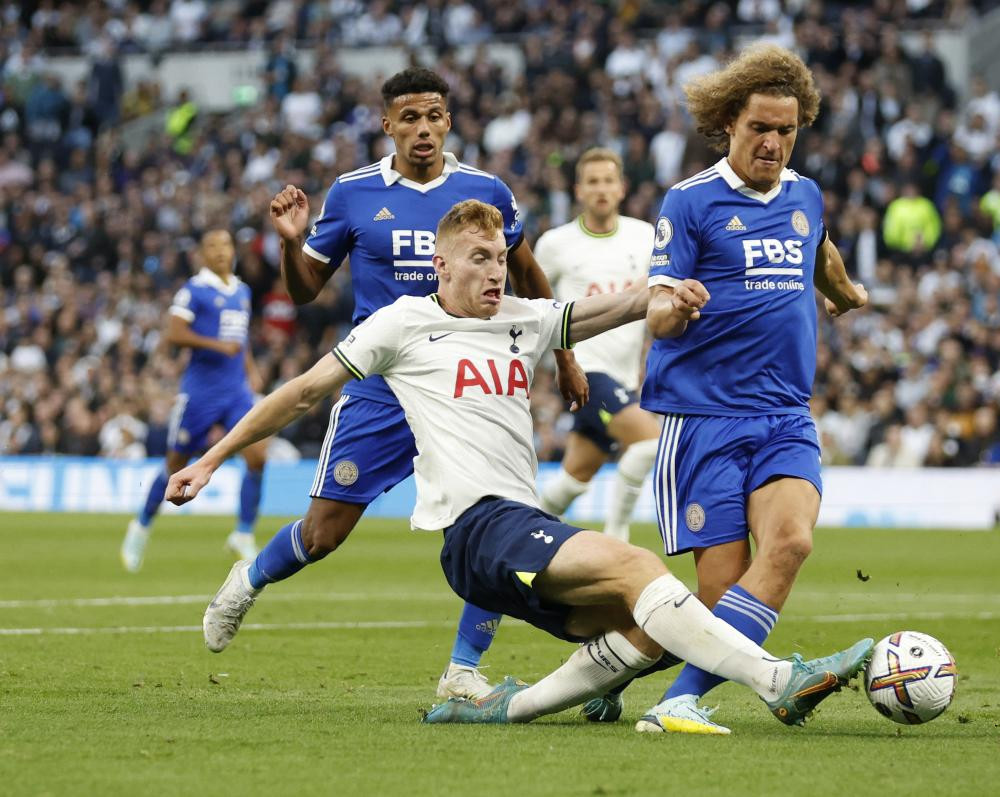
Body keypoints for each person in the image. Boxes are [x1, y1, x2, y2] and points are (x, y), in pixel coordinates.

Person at [167, 200, 872, 733]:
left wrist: (669, 291)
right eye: (478, 257)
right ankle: (777, 678)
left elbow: (618, 306)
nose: (495, 268)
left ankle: (508, 707)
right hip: (476, 530)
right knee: (641, 571)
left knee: (658, 624)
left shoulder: (522, 318)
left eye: (501, 256)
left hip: (519, 528)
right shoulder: (402, 323)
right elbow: (300, 393)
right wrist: (209, 459)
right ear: (440, 265)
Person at [205, 67, 587, 704]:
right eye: (409, 118)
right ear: (387, 125)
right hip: (382, 382)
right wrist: (292, 244)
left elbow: (524, 270)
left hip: (467, 384)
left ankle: (463, 669)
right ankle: (249, 580)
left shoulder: (483, 190)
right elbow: (304, 291)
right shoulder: (355, 194)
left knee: (490, 528)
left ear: (448, 120)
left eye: (433, 116)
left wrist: (565, 359)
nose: (423, 129)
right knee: (324, 532)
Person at [630, 44, 869, 734]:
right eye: (760, 128)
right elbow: (657, 312)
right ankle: (615, 662)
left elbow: (817, 248)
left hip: (783, 413)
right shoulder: (690, 202)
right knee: (716, 596)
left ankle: (678, 701)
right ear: (729, 122)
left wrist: (845, 293)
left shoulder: (805, 193)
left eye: (786, 131)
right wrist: (677, 308)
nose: (773, 143)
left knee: (790, 544)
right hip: (703, 417)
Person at [121, 228, 268, 572]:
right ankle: (141, 526)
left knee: (258, 456)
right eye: (213, 247)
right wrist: (218, 346)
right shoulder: (194, 290)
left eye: (226, 245)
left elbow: (240, 338)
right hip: (201, 393)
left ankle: (243, 533)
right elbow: (174, 333)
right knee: (176, 464)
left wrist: (250, 368)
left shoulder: (242, 291)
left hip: (236, 392)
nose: (221, 252)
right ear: (202, 254)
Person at [535, 148, 659, 543]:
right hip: (584, 371)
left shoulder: (645, 237)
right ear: (578, 191)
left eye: (608, 180)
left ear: (621, 188)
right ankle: (617, 539)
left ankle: (520, 537)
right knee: (651, 444)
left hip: (623, 375)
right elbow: (535, 304)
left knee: (573, 479)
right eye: (592, 182)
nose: (601, 189)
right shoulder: (556, 244)